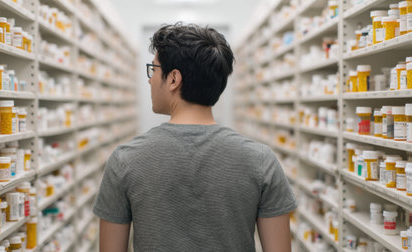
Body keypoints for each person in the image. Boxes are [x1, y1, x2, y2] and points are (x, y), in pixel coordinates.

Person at [93, 23, 297, 252]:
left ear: (173, 79)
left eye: (154, 70)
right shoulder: (261, 160)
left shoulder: (125, 160)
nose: (150, 80)